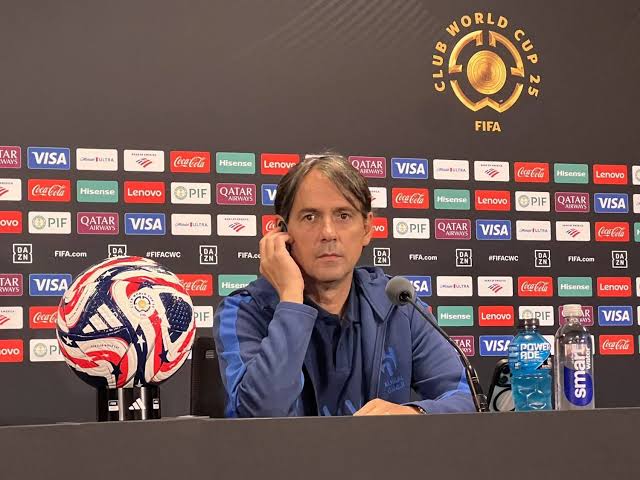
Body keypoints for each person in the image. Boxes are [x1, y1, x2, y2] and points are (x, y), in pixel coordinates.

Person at [213, 153, 475, 417]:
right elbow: (261, 416)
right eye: (310, 217)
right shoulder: (244, 311)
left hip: (378, 446)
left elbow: (468, 398)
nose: (328, 233)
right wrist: (291, 298)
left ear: (367, 228)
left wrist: (412, 414)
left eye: (343, 215)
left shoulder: (397, 306)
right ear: (282, 231)